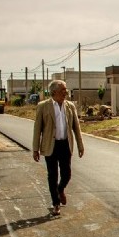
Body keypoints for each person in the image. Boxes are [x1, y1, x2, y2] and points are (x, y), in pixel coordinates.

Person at [32, 80, 85, 216]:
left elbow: (76, 127)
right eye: (63, 90)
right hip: (50, 145)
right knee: (52, 175)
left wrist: (80, 145)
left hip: (65, 144)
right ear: (54, 92)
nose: (66, 92)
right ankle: (56, 203)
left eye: (66, 90)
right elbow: (37, 129)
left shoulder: (70, 106)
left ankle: (60, 189)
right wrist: (35, 149)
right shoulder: (43, 106)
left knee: (66, 174)